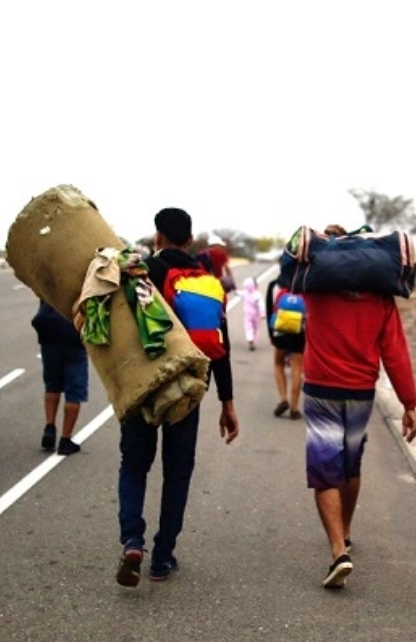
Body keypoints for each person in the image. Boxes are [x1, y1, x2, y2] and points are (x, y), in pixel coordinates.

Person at [116, 207, 240, 587]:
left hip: (143, 384)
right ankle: (163, 555)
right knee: (177, 471)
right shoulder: (207, 281)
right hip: (187, 389)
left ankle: (133, 540)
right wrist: (227, 402)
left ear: (157, 236)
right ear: (189, 240)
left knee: (135, 465)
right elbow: (220, 345)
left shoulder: (139, 273)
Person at [300, 224, 416, 589]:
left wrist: (324, 241)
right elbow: (395, 352)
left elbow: (303, 259)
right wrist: (409, 403)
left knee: (325, 471)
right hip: (361, 392)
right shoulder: (381, 299)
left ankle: (339, 551)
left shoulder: (316, 290)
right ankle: (346, 531)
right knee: (350, 465)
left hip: (321, 388)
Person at [31, 299, 89, 455]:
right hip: (72, 332)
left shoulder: (49, 275)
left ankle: (50, 426)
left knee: (52, 384)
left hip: (49, 330)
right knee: (75, 389)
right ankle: (65, 439)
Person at [266, 279, 305, 420]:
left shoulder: (276, 285)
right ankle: (294, 408)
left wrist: (271, 334)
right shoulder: (305, 284)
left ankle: (283, 399)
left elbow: (270, 309)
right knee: (297, 368)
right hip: (299, 332)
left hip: (281, 330)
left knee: (278, 364)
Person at [238, 277, 265, 351]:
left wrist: (234, 289)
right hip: (256, 315)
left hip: (248, 314)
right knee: (256, 328)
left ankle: (250, 339)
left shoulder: (245, 293)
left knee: (248, 327)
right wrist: (262, 313)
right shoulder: (257, 294)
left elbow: (239, 294)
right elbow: (261, 304)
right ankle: (254, 341)